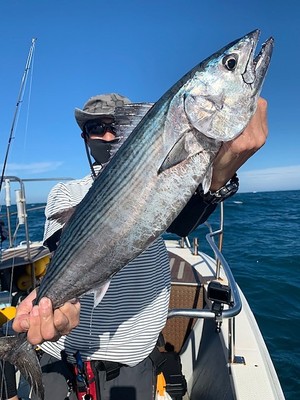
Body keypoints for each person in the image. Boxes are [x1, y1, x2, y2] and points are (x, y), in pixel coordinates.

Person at [13, 94, 268, 400]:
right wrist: (62, 307)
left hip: (133, 356)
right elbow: (65, 254)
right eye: (98, 126)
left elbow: (181, 222)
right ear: (85, 136)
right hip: (62, 352)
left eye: (117, 125)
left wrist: (220, 177)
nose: (108, 135)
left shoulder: (164, 174)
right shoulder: (67, 192)